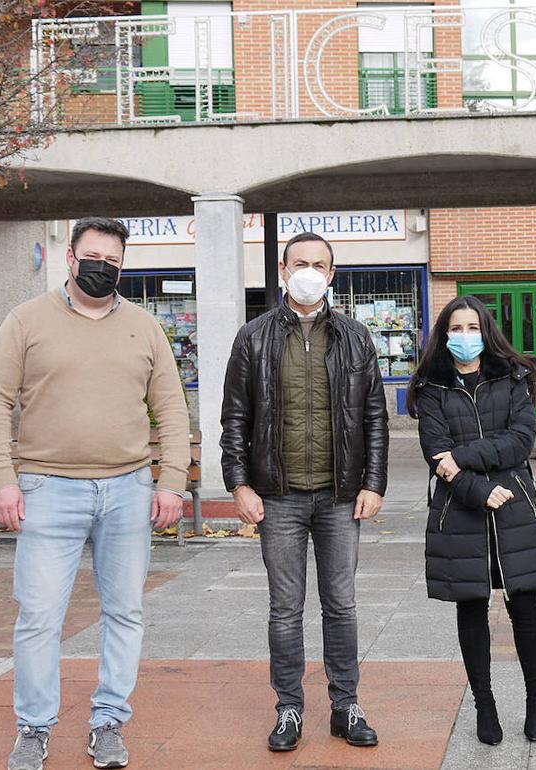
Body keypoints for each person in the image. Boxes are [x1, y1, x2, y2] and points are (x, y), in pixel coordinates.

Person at [0, 217, 190, 770]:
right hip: (48, 490)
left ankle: (109, 721)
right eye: (93, 256)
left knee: (125, 613)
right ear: (70, 258)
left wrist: (172, 481)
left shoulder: (144, 328)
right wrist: (1, 480)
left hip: (128, 490)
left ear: (122, 266)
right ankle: (33, 727)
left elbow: (170, 409)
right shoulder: (26, 321)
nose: (103, 267)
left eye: (113, 261)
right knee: (39, 615)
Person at [220, 232, 388, 752]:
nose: (309, 271)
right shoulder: (253, 337)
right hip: (279, 497)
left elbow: (376, 418)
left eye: (319, 264)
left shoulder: (357, 338)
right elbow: (234, 419)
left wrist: (374, 483)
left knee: (342, 605)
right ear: (282, 269)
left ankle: (345, 705)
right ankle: (289, 708)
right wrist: (240, 484)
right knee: (284, 608)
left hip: (340, 498)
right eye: (300, 263)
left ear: (332, 274)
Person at [409, 295, 536, 745]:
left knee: (524, 609)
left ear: (486, 332)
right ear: (444, 334)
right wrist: (478, 488)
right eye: (457, 328)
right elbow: (436, 456)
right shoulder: (430, 389)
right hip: (461, 514)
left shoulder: (512, 379)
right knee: (471, 609)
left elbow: (519, 442)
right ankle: (484, 705)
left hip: (515, 509)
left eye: (474, 328)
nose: (466, 337)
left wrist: (461, 457)